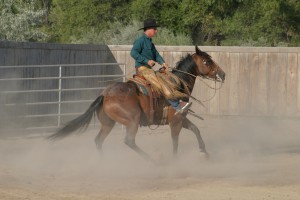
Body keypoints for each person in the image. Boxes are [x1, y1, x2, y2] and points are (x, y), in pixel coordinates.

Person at [130, 18, 192, 115]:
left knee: (166, 78)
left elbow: (156, 54)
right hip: (142, 69)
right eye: (154, 29)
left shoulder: (150, 42)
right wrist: (146, 61)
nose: (156, 31)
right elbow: (133, 53)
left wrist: (162, 62)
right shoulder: (140, 41)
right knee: (161, 83)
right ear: (149, 29)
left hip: (148, 70)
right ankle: (177, 105)